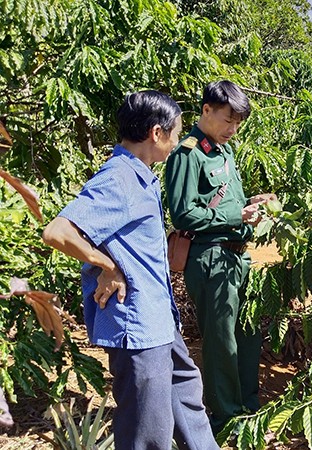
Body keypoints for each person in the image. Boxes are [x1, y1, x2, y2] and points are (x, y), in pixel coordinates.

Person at [42, 90, 219, 449]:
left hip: (158, 320)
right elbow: (58, 232)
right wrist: (106, 265)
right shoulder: (119, 178)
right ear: (157, 133)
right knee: (147, 432)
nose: (177, 142)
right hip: (138, 327)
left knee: (186, 400)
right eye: (176, 132)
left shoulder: (141, 177)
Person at [165, 80, 273, 433]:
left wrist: (253, 206)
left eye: (238, 123)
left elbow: (231, 203)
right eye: (228, 120)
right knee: (221, 341)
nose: (232, 129)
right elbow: (183, 214)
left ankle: (248, 407)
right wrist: (234, 217)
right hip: (211, 258)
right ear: (206, 110)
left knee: (247, 334)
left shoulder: (224, 152)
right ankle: (226, 417)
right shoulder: (188, 154)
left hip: (238, 257)